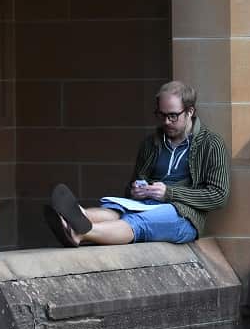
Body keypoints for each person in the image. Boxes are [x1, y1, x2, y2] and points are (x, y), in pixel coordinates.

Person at [44, 80, 229, 247]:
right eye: (161, 115)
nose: (166, 121)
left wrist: (169, 192)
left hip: (183, 216)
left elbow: (218, 195)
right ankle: (80, 215)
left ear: (189, 112)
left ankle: (80, 233)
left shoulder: (211, 144)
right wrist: (137, 189)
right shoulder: (151, 143)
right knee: (117, 208)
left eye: (173, 116)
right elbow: (134, 185)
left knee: (139, 221)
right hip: (144, 203)